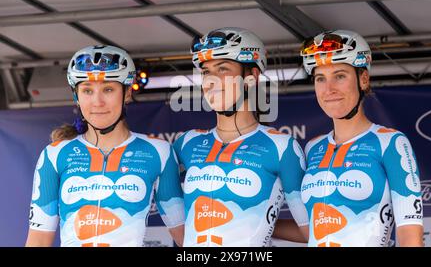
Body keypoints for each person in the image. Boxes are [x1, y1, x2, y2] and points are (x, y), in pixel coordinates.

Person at [26, 45, 184, 247]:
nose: (97, 101)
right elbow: (38, 240)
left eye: (108, 89)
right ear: (76, 96)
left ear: (127, 92)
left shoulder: (158, 152)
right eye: (87, 91)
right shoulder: (55, 154)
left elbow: (184, 235)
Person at [173, 27, 309, 247]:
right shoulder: (188, 143)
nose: (211, 81)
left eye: (223, 69)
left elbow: (312, 231)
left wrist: (259, 223)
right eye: (206, 72)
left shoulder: (282, 147)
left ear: (251, 77)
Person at [290, 29, 423, 247]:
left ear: (363, 79)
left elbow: (411, 237)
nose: (329, 89)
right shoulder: (313, 148)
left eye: (339, 76)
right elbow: (309, 231)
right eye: (320, 78)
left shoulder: (390, 143)